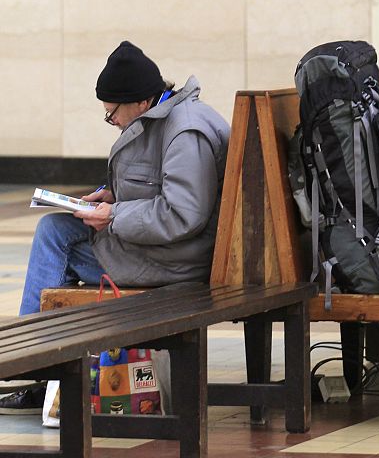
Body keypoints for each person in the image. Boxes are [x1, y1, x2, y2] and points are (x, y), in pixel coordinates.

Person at [0, 41, 230, 414]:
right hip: (159, 250)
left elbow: (183, 215)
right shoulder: (165, 117)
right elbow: (158, 184)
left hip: (174, 262)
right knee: (56, 228)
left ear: (140, 102)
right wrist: (110, 194)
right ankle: (41, 365)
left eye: (113, 114)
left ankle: (35, 362)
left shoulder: (185, 132)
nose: (114, 123)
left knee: (54, 236)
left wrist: (114, 215)